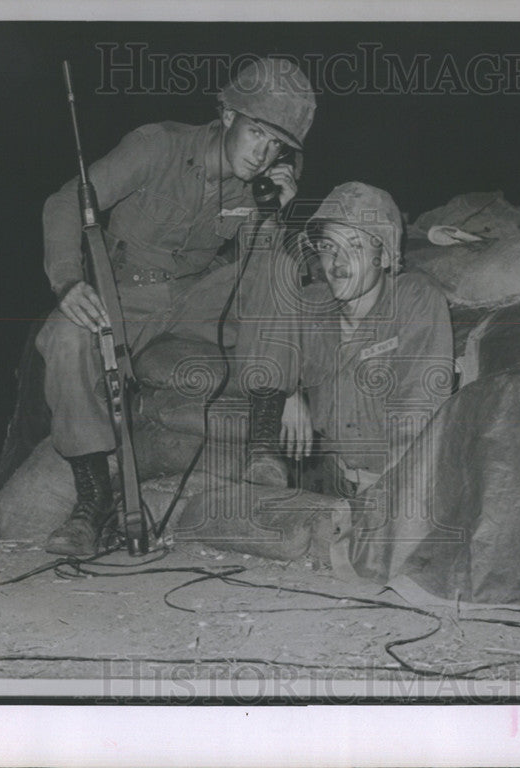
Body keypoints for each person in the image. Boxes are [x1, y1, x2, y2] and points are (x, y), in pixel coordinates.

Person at [37, 57, 316, 555]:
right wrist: (68, 282)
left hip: (194, 299)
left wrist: (276, 215)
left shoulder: (257, 187)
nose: (264, 152)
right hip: (125, 297)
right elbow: (64, 202)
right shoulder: (157, 146)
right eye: (258, 133)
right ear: (228, 114)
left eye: (278, 144)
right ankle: (93, 500)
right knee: (65, 335)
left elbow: (261, 270)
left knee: (278, 263)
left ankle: (263, 447)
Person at [279, 182, 454, 496]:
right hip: (330, 485)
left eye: (355, 246)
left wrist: (387, 496)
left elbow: (416, 413)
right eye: (329, 247)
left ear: (385, 257)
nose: (338, 262)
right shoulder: (312, 306)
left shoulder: (415, 300)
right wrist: (288, 391)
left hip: (400, 484)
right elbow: (258, 346)